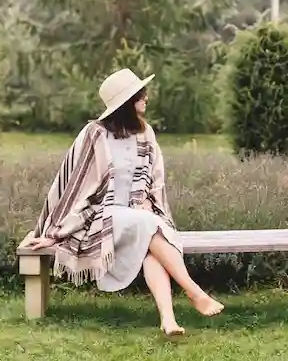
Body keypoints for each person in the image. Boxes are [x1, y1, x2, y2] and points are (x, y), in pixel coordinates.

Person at [22, 67, 223, 336]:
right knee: (149, 226)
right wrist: (54, 232)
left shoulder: (145, 133)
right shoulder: (94, 134)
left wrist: (148, 203)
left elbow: (156, 179)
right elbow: (73, 184)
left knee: (151, 238)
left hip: (140, 217)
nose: (147, 98)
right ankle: (194, 292)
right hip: (102, 217)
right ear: (128, 102)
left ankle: (168, 320)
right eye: (141, 94)